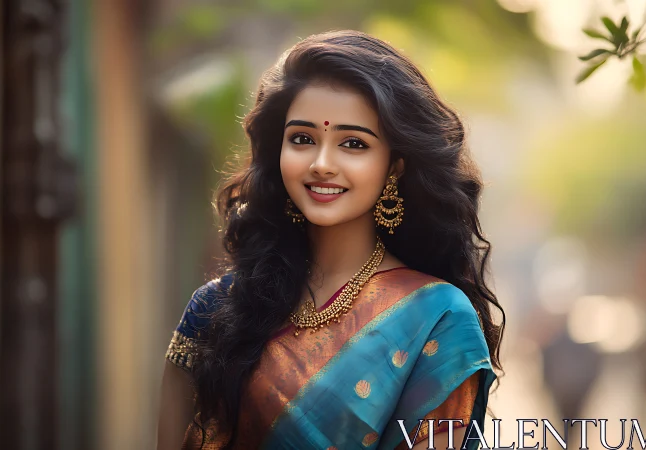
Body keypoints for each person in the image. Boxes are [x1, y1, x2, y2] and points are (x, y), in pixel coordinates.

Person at [156, 30, 504, 450]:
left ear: (393, 166)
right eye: (302, 139)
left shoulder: (437, 317)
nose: (322, 164)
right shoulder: (216, 308)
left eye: (353, 144)